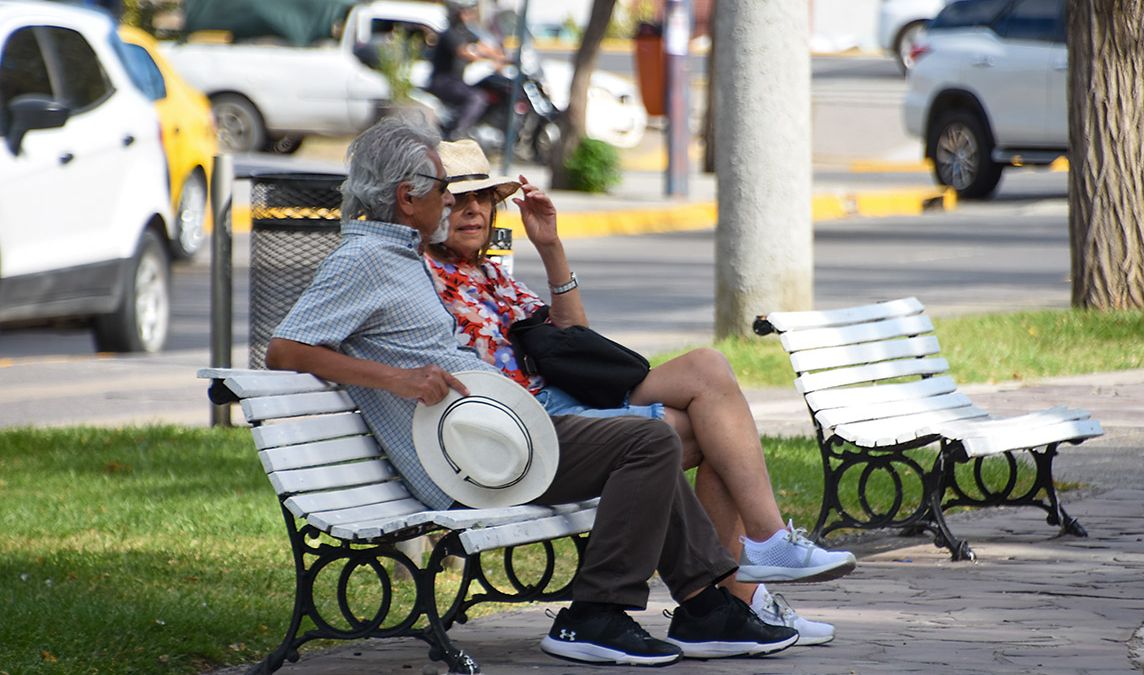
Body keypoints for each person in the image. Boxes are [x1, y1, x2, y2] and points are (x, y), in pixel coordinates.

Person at [264, 117, 804, 666]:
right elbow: (284, 351)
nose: (453, 203)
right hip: (464, 458)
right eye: (444, 188)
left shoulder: (400, 256)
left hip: (491, 437)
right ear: (408, 197)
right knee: (646, 443)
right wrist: (398, 380)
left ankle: (703, 608)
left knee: (649, 441)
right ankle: (598, 615)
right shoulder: (364, 260)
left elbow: (562, 337)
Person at [425, 139, 856, 645]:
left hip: (568, 398)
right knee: (713, 435)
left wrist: (551, 248)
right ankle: (739, 593)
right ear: (431, 206)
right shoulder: (423, 274)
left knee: (709, 370)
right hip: (527, 424)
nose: (473, 209)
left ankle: (750, 575)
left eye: (483, 198)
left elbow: (572, 341)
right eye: (458, 199)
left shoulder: (490, 274)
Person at [427, 0, 504, 140]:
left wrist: (500, 56)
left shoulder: (465, 31)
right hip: (443, 81)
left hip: (456, 81)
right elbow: (462, 52)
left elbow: (482, 45)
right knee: (477, 98)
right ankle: (458, 133)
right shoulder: (449, 33)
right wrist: (487, 59)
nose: (469, 15)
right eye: (465, 11)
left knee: (488, 89)